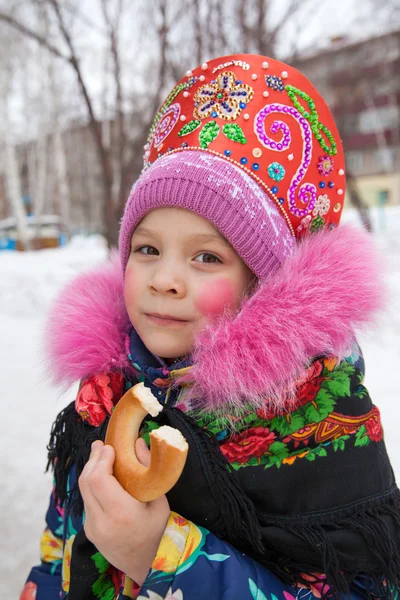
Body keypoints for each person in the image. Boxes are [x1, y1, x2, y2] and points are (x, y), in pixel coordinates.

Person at [20, 54, 400, 600]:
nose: (165, 279)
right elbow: (59, 545)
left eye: (206, 258)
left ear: (260, 287)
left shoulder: (322, 422)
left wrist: (162, 555)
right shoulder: (104, 398)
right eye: (147, 249)